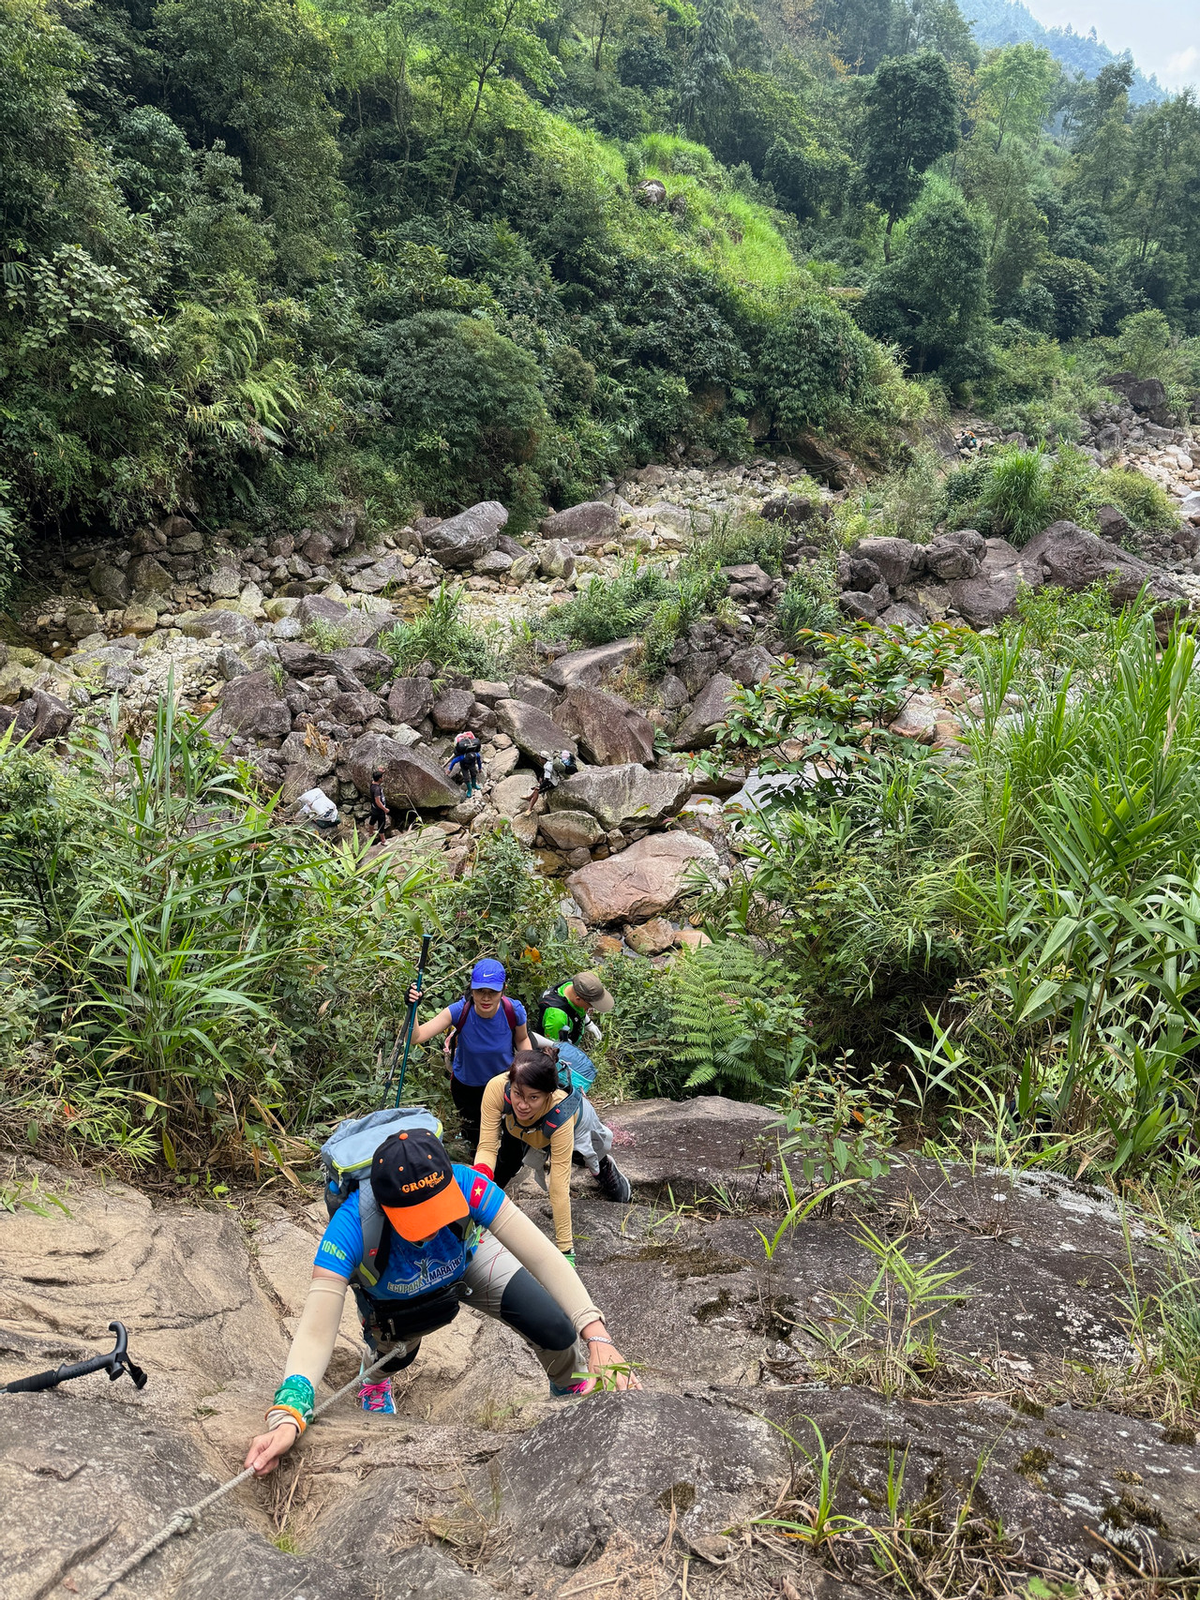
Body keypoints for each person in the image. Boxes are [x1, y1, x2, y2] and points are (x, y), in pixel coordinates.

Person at [243, 1127, 638, 1471]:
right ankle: (374, 1380)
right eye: (419, 1220)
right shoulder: (351, 1228)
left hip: (466, 1259)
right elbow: (315, 1332)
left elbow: (544, 1257)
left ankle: (569, 1393)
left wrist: (596, 1335)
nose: (432, 1228)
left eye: (439, 1210)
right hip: (393, 1295)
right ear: (384, 1206)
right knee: (398, 1355)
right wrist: (288, 1414)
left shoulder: (468, 1185)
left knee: (556, 1329)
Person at [474, 1046, 632, 1262]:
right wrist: (477, 1191)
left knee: (582, 1157)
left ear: (548, 1094)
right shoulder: (497, 1088)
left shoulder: (561, 1112)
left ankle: (603, 1168)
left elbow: (558, 1187)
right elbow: (486, 1147)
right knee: (506, 1162)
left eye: (533, 1097)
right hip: (521, 1128)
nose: (522, 1104)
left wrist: (566, 1250)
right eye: (518, 1093)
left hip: (572, 1129)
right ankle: (482, 1212)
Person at [406, 958, 530, 1149]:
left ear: (503, 990)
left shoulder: (513, 1011)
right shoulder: (459, 1011)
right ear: (472, 989)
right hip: (468, 1088)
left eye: (492, 992)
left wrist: (528, 1070)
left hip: (503, 1084)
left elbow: (522, 1039)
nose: (486, 998)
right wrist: (412, 1008)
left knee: (509, 1135)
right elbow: (417, 1037)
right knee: (475, 1137)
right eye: (480, 991)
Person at [537, 970, 614, 1047]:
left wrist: (589, 1023)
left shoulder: (572, 986)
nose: (592, 1008)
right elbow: (552, 1049)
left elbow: (576, 1008)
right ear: (578, 999)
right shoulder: (557, 1018)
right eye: (590, 1005)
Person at [527, 748, 579, 815]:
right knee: (536, 789)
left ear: (543, 759)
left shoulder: (548, 766)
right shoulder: (549, 762)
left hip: (552, 783)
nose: (538, 759)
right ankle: (529, 797)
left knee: (537, 791)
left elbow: (547, 780)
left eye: (539, 757)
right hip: (551, 780)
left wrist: (539, 787)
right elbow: (545, 771)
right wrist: (541, 777)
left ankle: (529, 809)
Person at [446, 731, 483, 798]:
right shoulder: (462, 757)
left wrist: (480, 768)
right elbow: (454, 761)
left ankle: (474, 784)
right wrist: (449, 769)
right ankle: (469, 789)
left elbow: (479, 762)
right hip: (464, 765)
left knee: (473, 773)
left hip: (472, 764)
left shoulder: (476, 755)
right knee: (466, 778)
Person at [368, 768, 392, 842]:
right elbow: (378, 801)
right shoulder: (377, 789)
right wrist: (385, 809)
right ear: (379, 779)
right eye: (382, 777)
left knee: (372, 820)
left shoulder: (372, 784)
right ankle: (383, 841)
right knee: (381, 824)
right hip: (379, 810)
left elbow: (375, 777)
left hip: (374, 808)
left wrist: (380, 772)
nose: (383, 778)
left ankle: (370, 833)